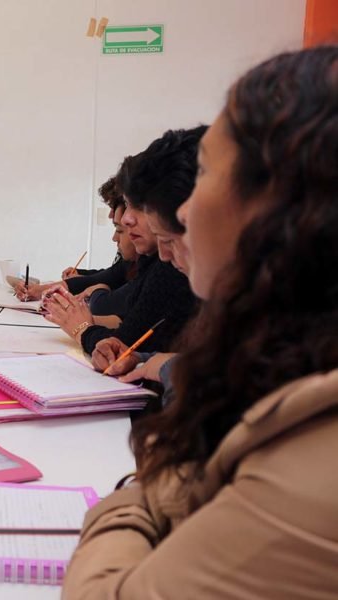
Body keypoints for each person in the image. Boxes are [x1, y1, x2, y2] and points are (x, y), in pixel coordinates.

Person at [63, 46, 338, 597]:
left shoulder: (314, 453)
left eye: (208, 173)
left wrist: (133, 496)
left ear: (273, 209)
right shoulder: (282, 360)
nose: (183, 212)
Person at [43, 129, 199, 355]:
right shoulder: (156, 261)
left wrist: (83, 328)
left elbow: (124, 342)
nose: (126, 221)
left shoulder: (170, 270)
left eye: (140, 206)